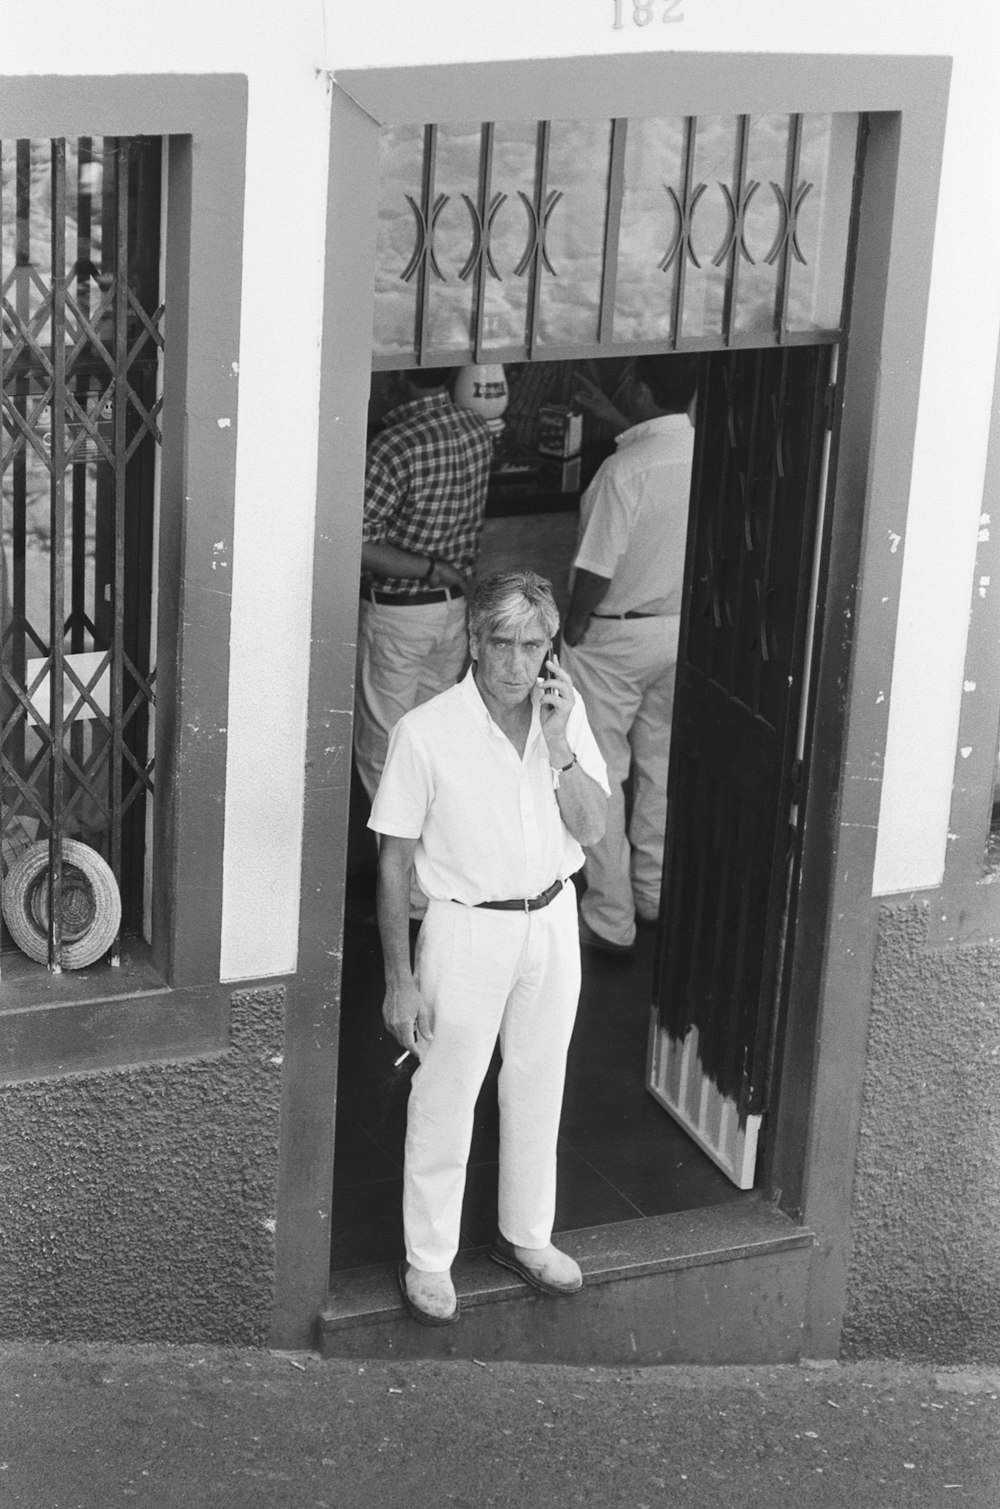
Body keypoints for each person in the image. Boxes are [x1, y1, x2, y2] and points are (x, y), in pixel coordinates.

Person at [369, 571, 610, 1325]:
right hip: (466, 924)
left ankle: (526, 1235)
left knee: (540, 1082)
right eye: (500, 642)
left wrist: (563, 744)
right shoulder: (427, 730)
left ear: (550, 650)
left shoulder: (564, 720)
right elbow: (393, 862)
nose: (515, 661)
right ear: (474, 640)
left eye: (532, 644)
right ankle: (429, 1259)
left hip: (550, 918)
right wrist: (399, 979)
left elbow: (594, 828)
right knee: (445, 1093)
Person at [561, 353, 698, 955]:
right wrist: (614, 413)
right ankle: (656, 894)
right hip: (677, 630)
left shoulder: (623, 472)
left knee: (601, 769)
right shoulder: (703, 453)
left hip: (614, 636)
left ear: (641, 390)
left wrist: (571, 629)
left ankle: (611, 919)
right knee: (659, 766)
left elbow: (593, 570)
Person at [354, 367, 493, 803]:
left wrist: (430, 568)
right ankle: (433, 864)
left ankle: (399, 869)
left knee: (385, 751)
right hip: (453, 613)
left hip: (399, 615)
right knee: (436, 745)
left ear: (396, 379)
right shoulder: (476, 427)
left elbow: (356, 544)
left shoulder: (393, 445)